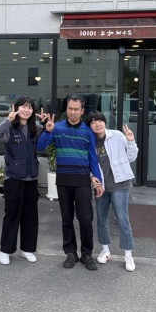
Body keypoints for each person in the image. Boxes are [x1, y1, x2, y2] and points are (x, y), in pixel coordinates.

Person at [37, 94, 104, 271]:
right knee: (67, 219)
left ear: (82, 111)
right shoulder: (56, 127)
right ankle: (71, 253)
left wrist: (98, 180)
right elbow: (40, 147)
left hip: (82, 180)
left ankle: (87, 254)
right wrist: (47, 131)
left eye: (76, 109)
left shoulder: (88, 131)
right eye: (70, 109)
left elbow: (93, 158)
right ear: (66, 109)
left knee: (85, 219)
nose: (72, 112)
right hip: (64, 180)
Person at [0, 96, 46, 265]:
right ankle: (5, 250)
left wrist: (47, 125)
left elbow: (45, 141)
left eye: (30, 107)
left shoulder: (36, 129)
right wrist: (8, 120)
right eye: (23, 106)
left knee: (30, 216)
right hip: (13, 178)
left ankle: (27, 249)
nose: (26, 110)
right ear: (16, 108)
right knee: (12, 215)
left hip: (31, 178)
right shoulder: (9, 128)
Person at [86, 111, 139, 272]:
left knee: (123, 220)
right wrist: (92, 178)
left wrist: (131, 141)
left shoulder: (116, 135)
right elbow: (88, 163)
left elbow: (132, 157)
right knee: (101, 219)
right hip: (101, 186)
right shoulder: (90, 141)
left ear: (104, 122)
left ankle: (128, 255)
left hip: (120, 184)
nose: (97, 124)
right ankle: (105, 250)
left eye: (100, 121)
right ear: (89, 126)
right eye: (93, 122)